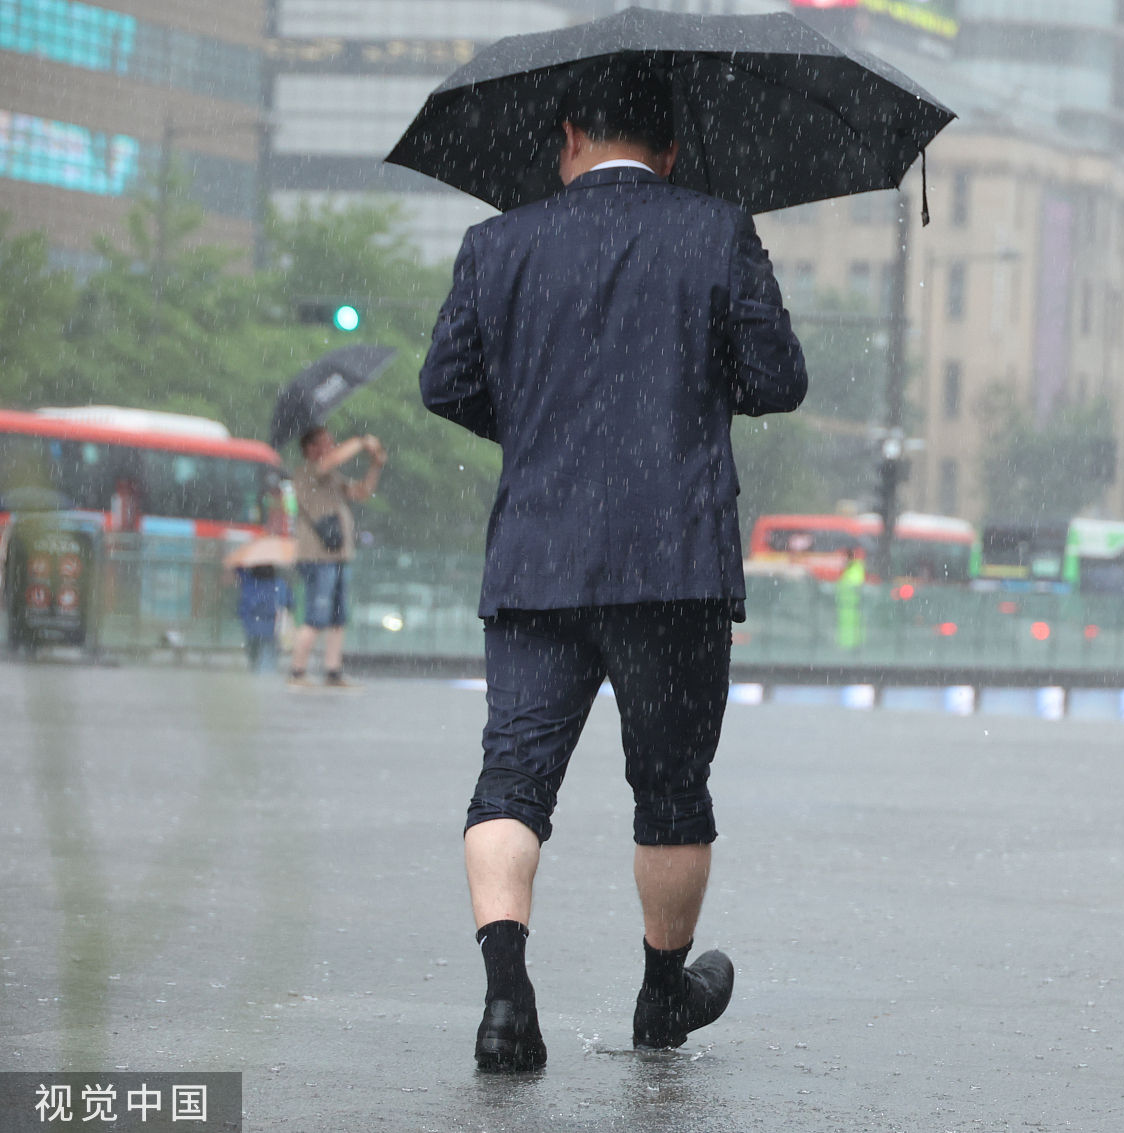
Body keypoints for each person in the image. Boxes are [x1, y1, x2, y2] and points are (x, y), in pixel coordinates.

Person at [419, 54, 807, 1072]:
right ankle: (659, 994)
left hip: (537, 553)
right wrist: (688, 379)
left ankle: (506, 999)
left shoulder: (496, 242)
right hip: (670, 557)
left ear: (568, 140)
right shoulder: (714, 228)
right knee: (671, 789)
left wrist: (544, 425)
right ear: (670, 151)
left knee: (511, 780)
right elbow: (778, 377)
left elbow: (445, 380)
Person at [289, 427, 385, 688]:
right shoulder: (307, 472)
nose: (332, 447)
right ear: (310, 449)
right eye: (326, 443)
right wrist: (361, 440)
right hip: (317, 557)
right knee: (315, 615)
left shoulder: (332, 477)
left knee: (338, 617)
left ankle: (333, 669)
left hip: (339, 555)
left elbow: (361, 492)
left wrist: (375, 466)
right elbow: (331, 460)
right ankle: (297, 671)